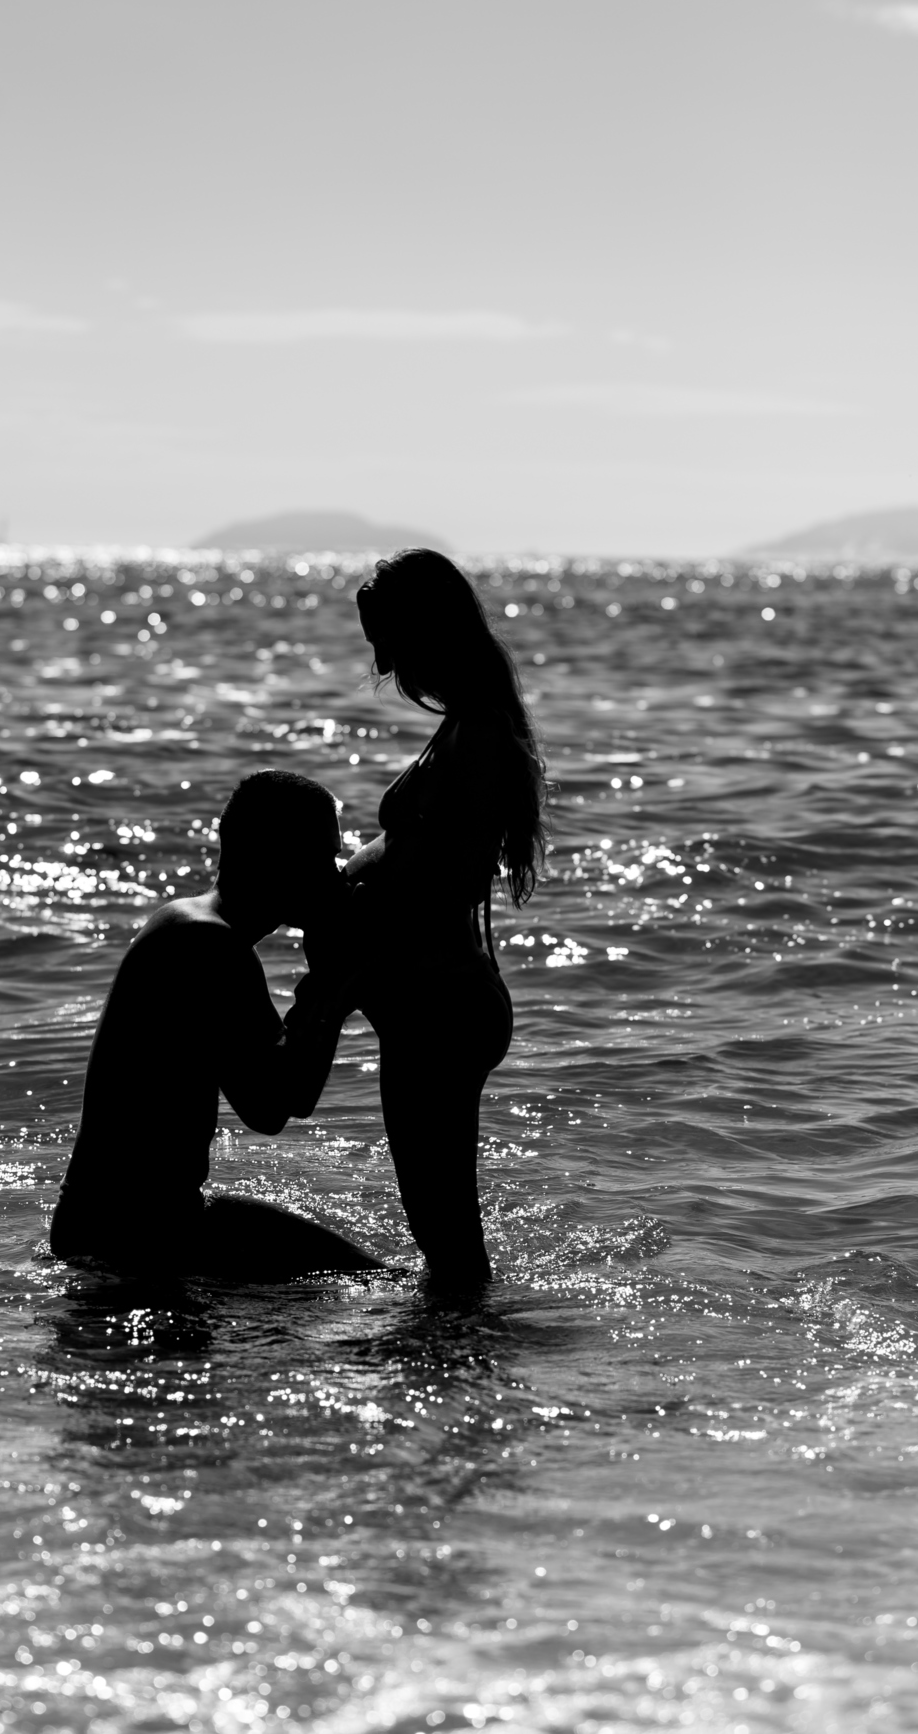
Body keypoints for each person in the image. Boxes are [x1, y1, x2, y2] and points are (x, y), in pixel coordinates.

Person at [49, 769, 379, 1282]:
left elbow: (281, 1095)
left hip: (136, 1221)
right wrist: (332, 988)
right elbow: (273, 1106)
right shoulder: (208, 943)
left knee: (370, 1278)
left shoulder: (196, 926)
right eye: (323, 858)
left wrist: (327, 988)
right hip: (127, 1237)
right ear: (272, 856)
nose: (336, 878)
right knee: (373, 1285)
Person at [342, 549, 546, 1285]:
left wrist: (357, 920)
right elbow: (418, 852)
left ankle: (469, 1349)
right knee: (438, 1230)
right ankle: (455, 1347)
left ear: (427, 629)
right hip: (424, 1000)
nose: (382, 661)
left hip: (441, 1001)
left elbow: (455, 880)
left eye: (388, 639)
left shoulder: (480, 733)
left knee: (448, 1237)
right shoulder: (463, 727)